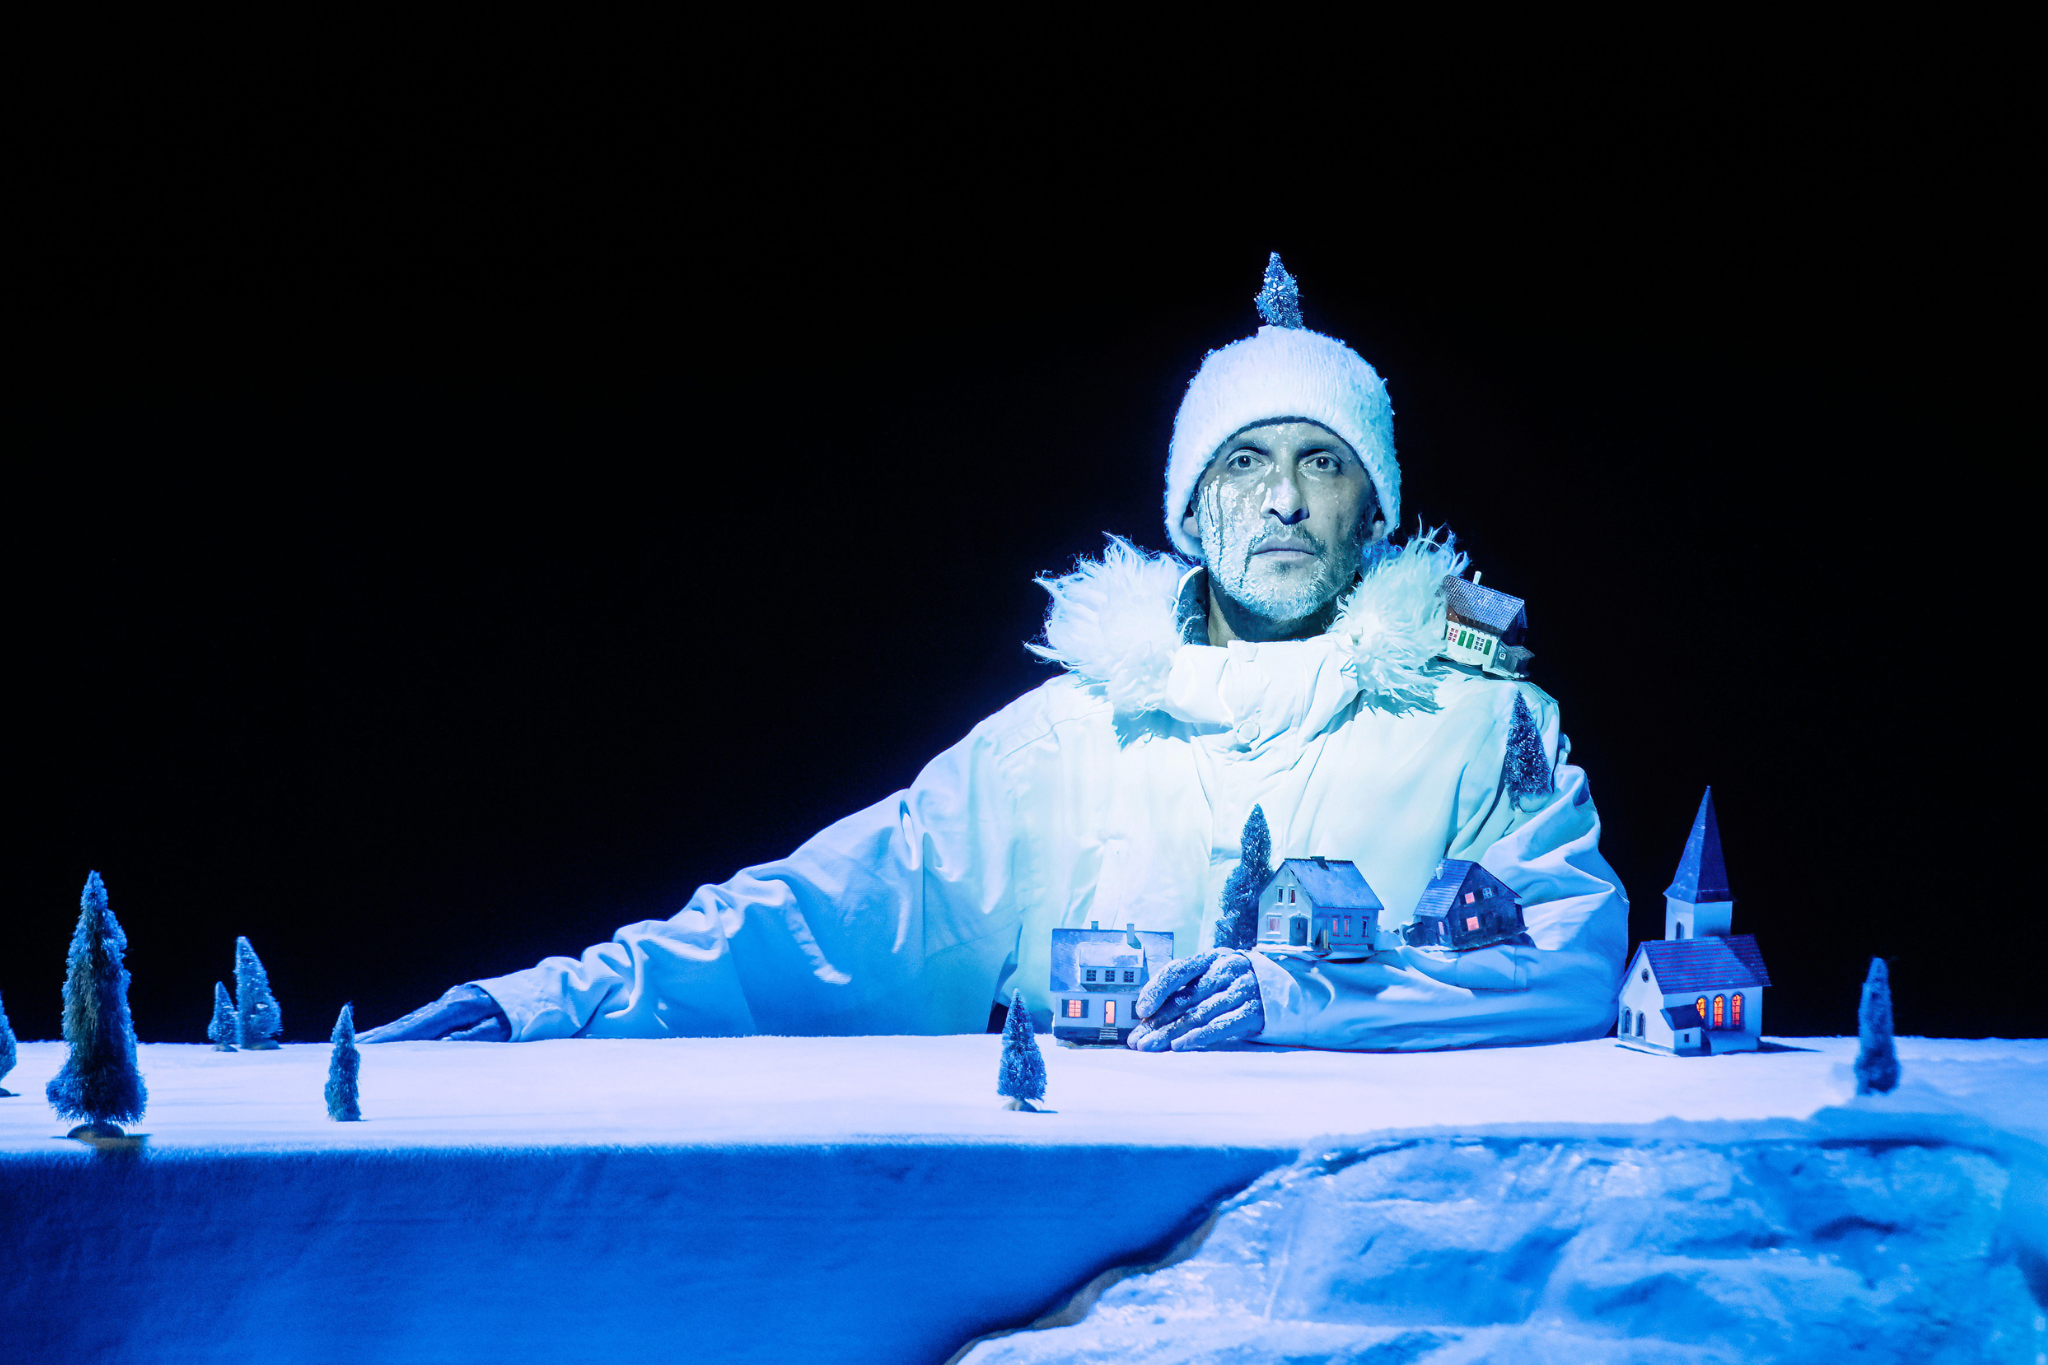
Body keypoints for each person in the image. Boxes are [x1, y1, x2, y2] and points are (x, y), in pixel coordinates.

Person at [363, 256, 1625, 1052]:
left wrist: (1311, 1003)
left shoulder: (1476, 727)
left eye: (1321, 464)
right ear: (1189, 512)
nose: (1282, 502)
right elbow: (831, 916)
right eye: (1243, 463)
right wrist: (551, 1001)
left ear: (1373, 509)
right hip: (1113, 1273)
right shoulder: (1070, 741)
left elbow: (1565, 945)